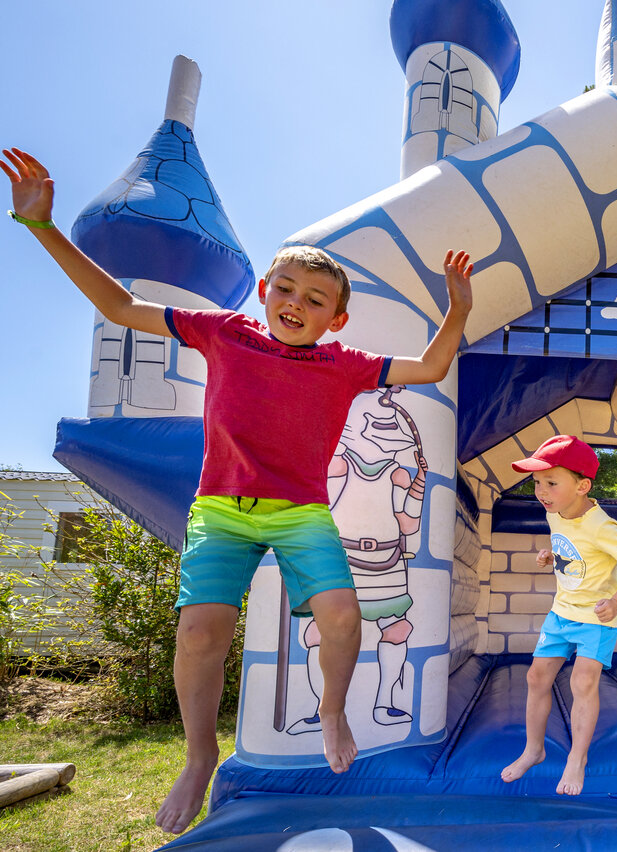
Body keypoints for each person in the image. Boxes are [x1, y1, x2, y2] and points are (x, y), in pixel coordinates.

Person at [4, 147, 474, 834]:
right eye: (286, 288)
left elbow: (431, 366)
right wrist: (42, 226)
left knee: (343, 617)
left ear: (336, 319)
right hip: (222, 510)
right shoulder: (224, 333)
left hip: (301, 512)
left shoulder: (345, 364)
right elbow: (119, 304)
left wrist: (457, 309)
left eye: (314, 299)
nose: (296, 303)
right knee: (201, 632)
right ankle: (200, 756)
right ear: (263, 291)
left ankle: (332, 710)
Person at [499, 435, 617, 795]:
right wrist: (551, 555)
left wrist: (616, 602)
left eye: (551, 483)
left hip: (597, 617)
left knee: (582, 682)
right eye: (537, 482)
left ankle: (577, 758)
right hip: (561, 611)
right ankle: (533, 750)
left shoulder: (602, 526)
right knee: (536, 677)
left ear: (582, 486)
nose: (541, 491)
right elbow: (573, 548)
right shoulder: (554, 512)